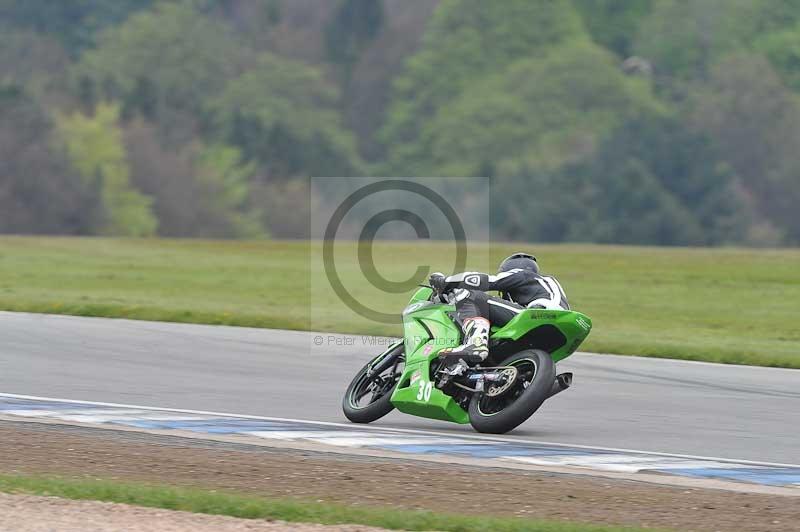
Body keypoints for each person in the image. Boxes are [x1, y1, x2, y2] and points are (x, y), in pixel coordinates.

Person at [429, 252, 569, 373]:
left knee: (470, 295)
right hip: (557, 328)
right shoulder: (544, 286)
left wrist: (446, 282)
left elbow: (487, 281)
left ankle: (476, 343)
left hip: (538, 314)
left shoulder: (523, 275)